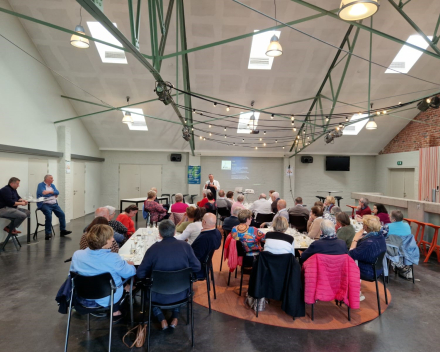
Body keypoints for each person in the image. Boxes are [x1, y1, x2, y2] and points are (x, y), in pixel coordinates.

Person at [137, 220, 201, 330]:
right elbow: (197, 267)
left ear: (160, 234)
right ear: (175, 232)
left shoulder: (153, 249)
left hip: (158, 295)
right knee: (175, 286)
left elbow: (140, 274)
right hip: (182, 293)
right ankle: (175, 317)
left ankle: (161, 318)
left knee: (148, 289)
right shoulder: (185, 246)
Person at [70, 224, 136, 321]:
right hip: (107, 298)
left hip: (83, 296)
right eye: (111, 237)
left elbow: (71, 275)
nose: (113, 239)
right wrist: (128, 264)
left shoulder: (77, 255)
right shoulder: (113, 258)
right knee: (122, 278)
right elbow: (130, 273)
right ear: (105, 241)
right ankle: (116, 311)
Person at [349, 215, 387, 281]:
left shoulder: (369, 243)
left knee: (343, 265)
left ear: (365, 226)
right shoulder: (380, 236)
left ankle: (351, 289)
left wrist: (355, 239)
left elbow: (351, 255)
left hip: (369, 271)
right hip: (377, 268)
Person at [37, 174, 71, 240]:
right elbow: (43, 194)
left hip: (54, 204)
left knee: (62, 214)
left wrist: (49, 192)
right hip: (45, 204)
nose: (53, 180)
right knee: (49, 216)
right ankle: (48, 233)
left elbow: (57, 192)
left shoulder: (52, 185)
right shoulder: (40, 185)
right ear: (47, 179)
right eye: (51, 178)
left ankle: (63, 230)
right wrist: (53, 194)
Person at [191, 213, 222, 278]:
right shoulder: (217, 232)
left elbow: (195, 257)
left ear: (204, 222)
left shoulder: (203, 238)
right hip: (206, 264)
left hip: (198, 268)